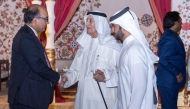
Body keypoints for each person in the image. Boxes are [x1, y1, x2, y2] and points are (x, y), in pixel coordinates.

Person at [61, 10, 121, 109]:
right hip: (83, 98)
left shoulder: (113, 46)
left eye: (90, 20)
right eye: (87, 20)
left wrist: (106, 75)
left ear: (99, 23)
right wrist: (67, 78)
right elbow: (76, 70)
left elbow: (122, 72)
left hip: (102, 100)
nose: (87, 23)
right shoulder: (84, 46)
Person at [8, 4, 63, 109]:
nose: (48, 22)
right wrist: (58, 78)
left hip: (30, 97)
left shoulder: (29, 35)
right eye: (46, 19)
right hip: (25, 99)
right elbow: (37, 66)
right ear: (34, 20)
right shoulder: (26, 37)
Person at [109, 7, 159, 109]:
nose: (112, 31)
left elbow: (139, 87)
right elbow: (124, 79)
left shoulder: (134, 50)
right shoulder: (127, 47)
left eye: (114, 26)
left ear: (124, 26)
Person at [156, 11, 186, 109]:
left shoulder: (171, 35)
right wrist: (177, 73)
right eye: (180, 21)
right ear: (175, 23)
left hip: (170, 80)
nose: (181, 24)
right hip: (168, 81)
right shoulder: (169, 37)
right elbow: (163, 59)